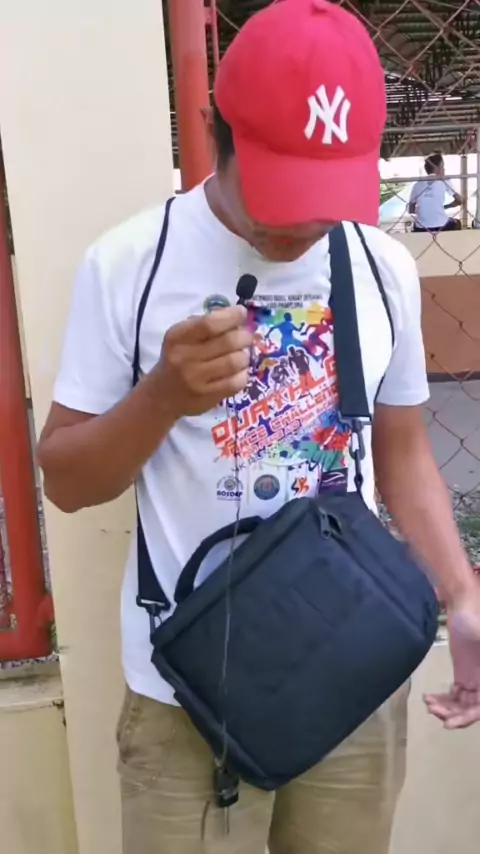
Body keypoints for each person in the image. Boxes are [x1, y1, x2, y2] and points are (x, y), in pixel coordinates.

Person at [37, 1, 480, 852]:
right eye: (280, 194)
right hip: (188, 696)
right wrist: (162, 397)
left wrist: (462, 596)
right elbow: (66, 481)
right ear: (218, 132)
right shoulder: (130, 264)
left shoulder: (381, 266)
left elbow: (403, 455)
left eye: (325, 198)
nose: (301, 227)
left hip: (350, 666)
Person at [408, 153, 464, 232]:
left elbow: (410, 210)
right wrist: (446, 206)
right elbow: (460, 201)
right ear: (438, 168)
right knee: (457, 223)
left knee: (416, 224)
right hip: (441, 225)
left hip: (421, 227)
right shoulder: (444, 181)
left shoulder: (417, 184)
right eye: (443, 166)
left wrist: (424, 209)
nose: (444, 169)